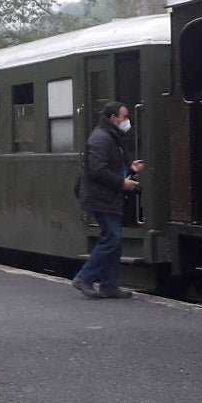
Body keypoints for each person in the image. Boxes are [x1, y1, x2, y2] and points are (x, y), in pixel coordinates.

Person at [72, 101, 144, 298]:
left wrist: (130, 169)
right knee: (111, 239)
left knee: (114, 241)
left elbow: (110, 167)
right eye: (125, 117)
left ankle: (109, 285)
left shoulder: (110, 136)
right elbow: (97, 170)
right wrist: (122, 184)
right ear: (114, 118)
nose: (127, 121)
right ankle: (84, 278)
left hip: (107, 197)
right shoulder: (101, 139)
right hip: (100, 197)